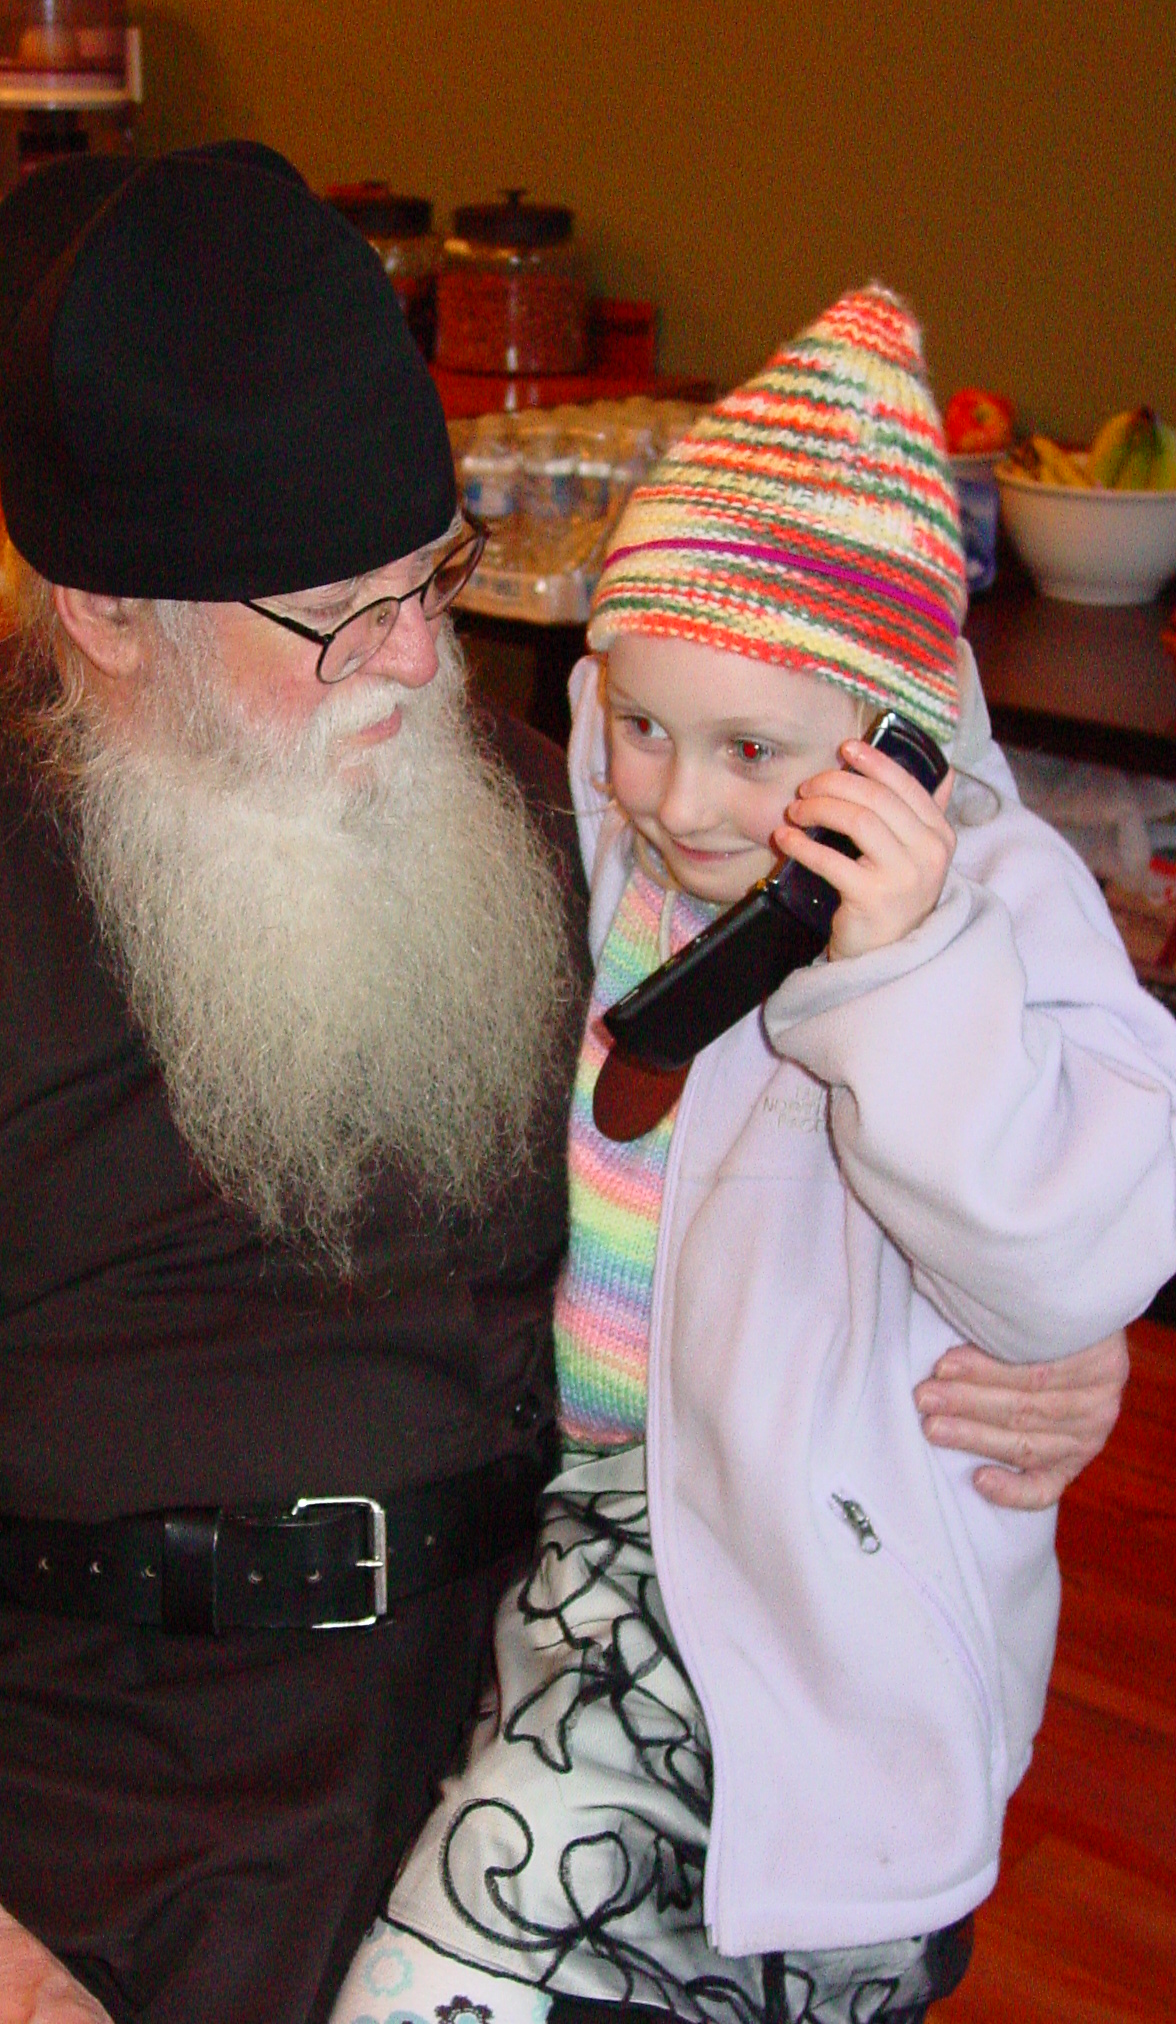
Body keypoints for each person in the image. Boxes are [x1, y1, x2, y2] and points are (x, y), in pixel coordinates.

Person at [0, 150, 1125, 2024]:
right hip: (60, 1769)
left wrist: (1012, 1312)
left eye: (437, 577)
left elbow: (814, 1127)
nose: (422, 666)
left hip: (523, 1703)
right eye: (346, 614)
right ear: (106, 612)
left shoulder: (551, 822)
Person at [328, 286, 1176, 2024]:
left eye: (755, 753)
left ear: (899, 739)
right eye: (644, 723)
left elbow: (1071, 1258)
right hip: (609, 1539)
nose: (683, 802)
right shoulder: (631, 827)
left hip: (817, 1610)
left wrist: (901, 973)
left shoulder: (1002, 916)